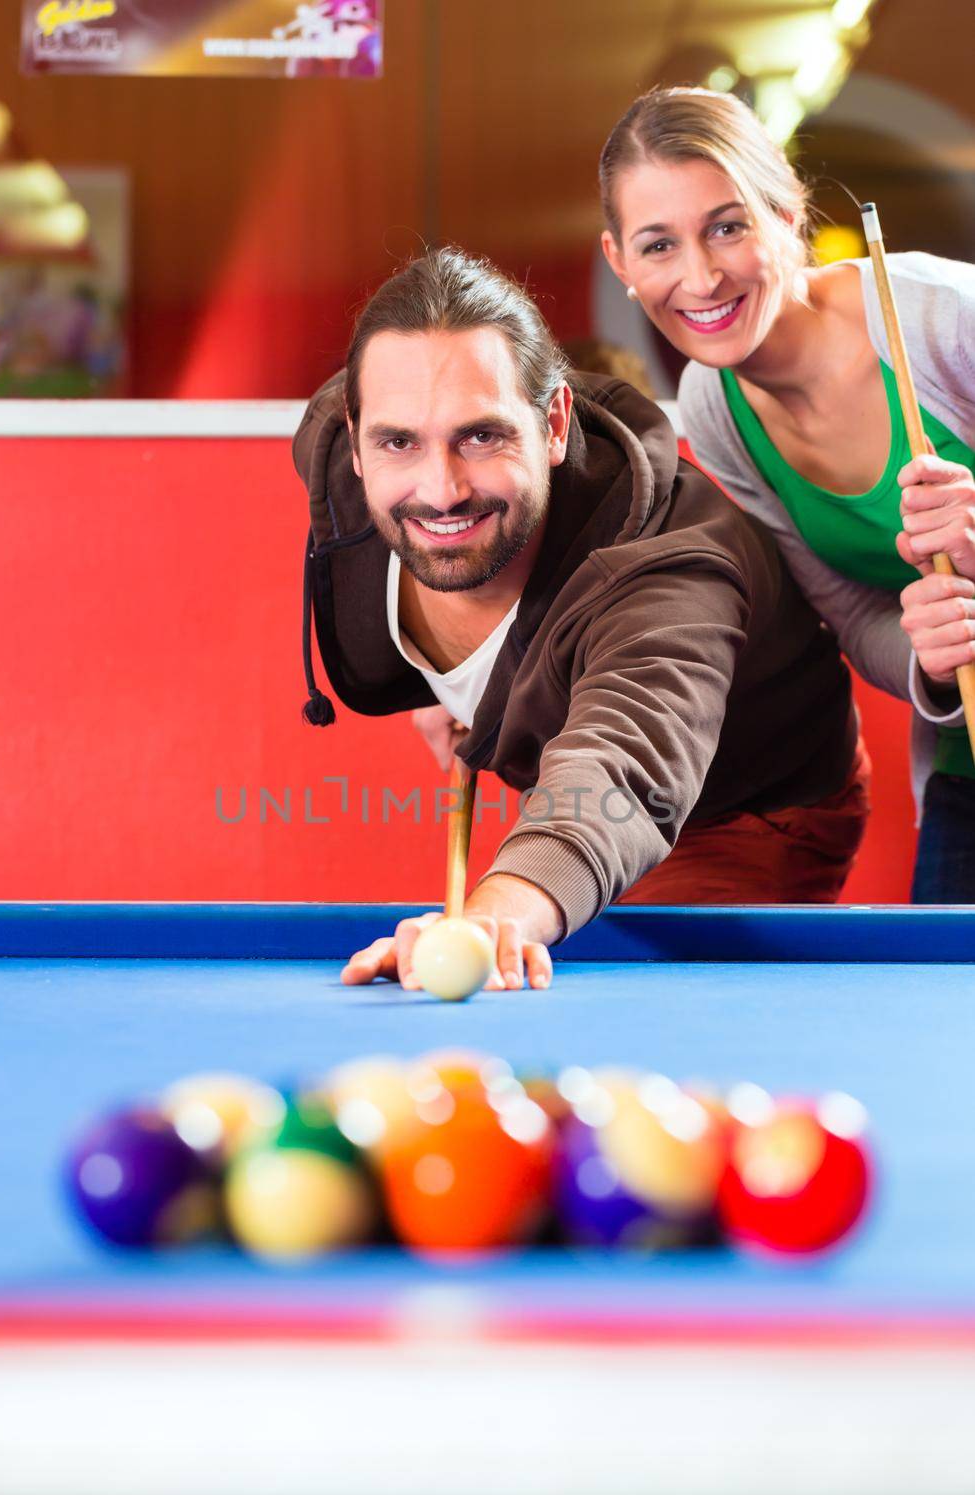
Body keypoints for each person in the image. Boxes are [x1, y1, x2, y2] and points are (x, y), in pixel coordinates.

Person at [293, 246, 863, 990]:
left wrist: (494, 913)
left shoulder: (670, 570)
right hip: (570, 776)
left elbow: (619, 774)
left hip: (741, 809)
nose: (440, 489)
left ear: (554, 423)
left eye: (482, 436)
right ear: (355, 437)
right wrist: (450, 681)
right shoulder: (339, 447)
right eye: (399, 441)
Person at [597, 86, 975, 902]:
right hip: (966, 776)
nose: (699, 277)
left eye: (727, 227)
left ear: (786, 212)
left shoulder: (943, 319)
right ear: (618, 263)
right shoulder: (713, 408)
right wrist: (934, 669)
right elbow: (854, 614)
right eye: (658, 245)